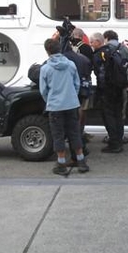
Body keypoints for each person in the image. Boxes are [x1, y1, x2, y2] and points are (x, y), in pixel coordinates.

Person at [39, 38, 89, 175]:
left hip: (55, 106)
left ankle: (61, 163)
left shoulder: (45, 68)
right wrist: (72, 96)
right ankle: (81, 161)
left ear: (47, 51)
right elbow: (76, 84)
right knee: (75, 132)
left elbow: (43, 90)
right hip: (72, 104)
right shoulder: (71, 65)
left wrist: (50, 100)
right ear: (59, 49)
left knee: (58, 135)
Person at [90, 32, 124, 153]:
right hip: (118, 88)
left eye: (92, 42)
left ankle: (114, 143)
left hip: (107, 90)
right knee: (118, 115)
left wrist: (101, 90)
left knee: (108, 116)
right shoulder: (112, 51)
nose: (91, 44)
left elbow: (101, 74)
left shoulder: (100, 55)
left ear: (98, 42)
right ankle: (119, 140)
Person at [103, 30, 128, 145]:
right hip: (122, 85)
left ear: (106, 38)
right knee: (121, 112)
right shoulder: (123, 48)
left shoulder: (106, 48)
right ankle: (121, 135)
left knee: (109, 113)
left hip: (109, 86)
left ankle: (112, 136)